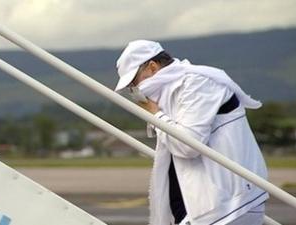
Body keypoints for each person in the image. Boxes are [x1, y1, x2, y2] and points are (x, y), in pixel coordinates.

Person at [114, 40, 269, 225]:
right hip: (207, 208)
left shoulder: (197, 83)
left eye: (134, 82)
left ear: (153, 67)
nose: (135, 91)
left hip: (228, 207)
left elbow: (188, 145)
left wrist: (156, 115)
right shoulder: (175, 88)